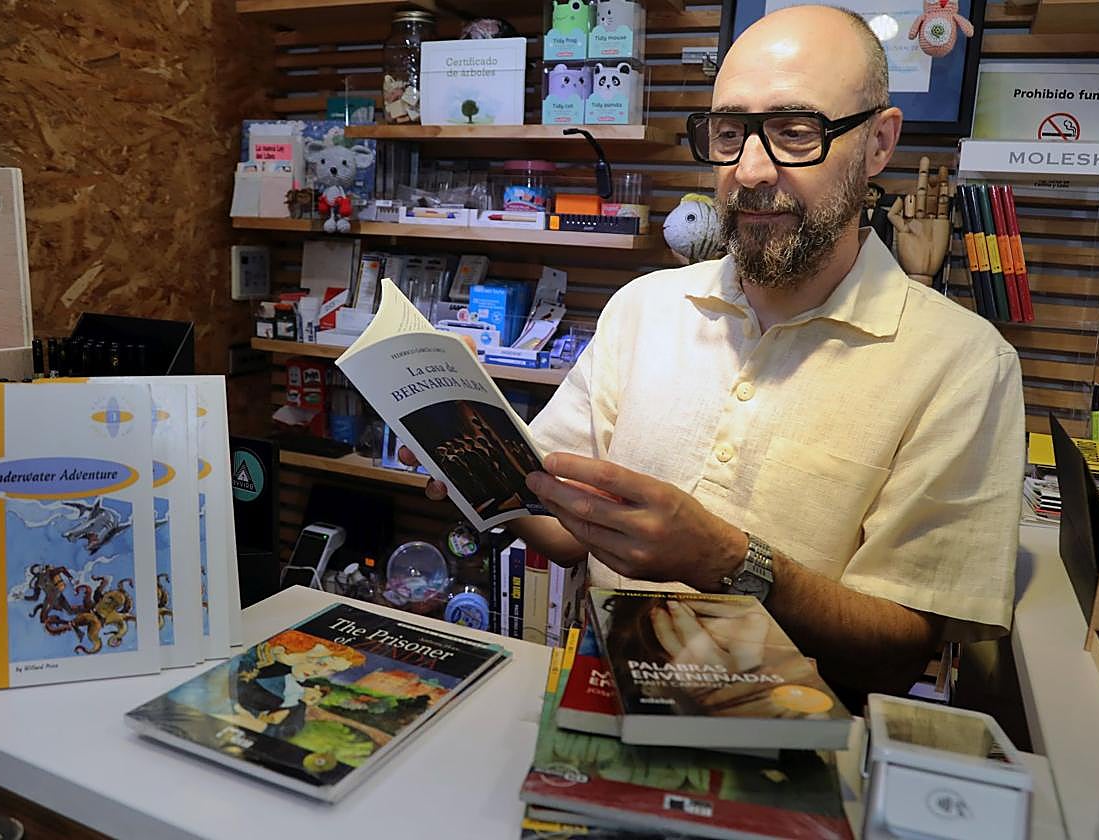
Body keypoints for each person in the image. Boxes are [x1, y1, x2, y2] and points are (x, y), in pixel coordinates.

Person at [408, 5, 1024, 702]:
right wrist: (474, 471)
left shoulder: (965, 364)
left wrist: (731, 560)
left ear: (879, 143)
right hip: (601, 718)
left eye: (797, 131)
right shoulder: (645, 307)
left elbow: (896, 653)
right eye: (730, 132)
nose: (750, 170)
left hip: (799, 767)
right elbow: (568, 530)